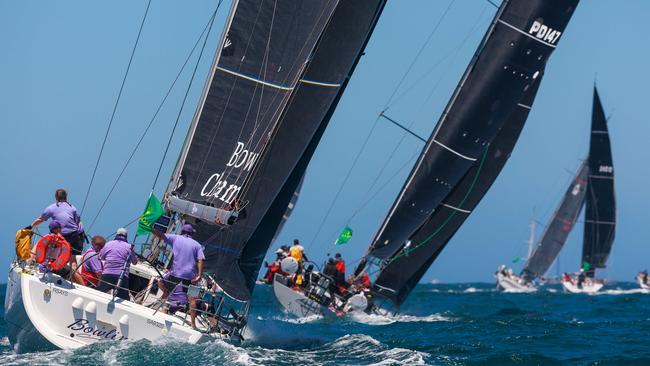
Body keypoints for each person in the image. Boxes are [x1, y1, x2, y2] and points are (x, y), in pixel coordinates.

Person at [152, 223, 205, 329]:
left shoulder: (175, 238)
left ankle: (166, 297)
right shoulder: (197, 245)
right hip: (191, 276)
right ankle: (193, 325)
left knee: (160, 281)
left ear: (182, 232)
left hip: (175, 273)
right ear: (191, 234)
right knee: (193, 300)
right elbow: (200, 260)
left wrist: (151, 229)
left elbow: (161, 235)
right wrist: (199, 275)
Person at [30, 189, 85, 283]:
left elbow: (41, 219)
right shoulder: (72, 208)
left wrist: (30, 226)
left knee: (50, 251)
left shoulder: (51, 208)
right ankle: (76, 282)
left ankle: (32, 263)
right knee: (73, 261)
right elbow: (77, 221)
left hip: (61, 236)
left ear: (56, 197)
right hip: (75, 236)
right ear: (66, 197)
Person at [97, 228, 137, 300]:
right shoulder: (129, 247)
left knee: (99, 295)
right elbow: (135, 262)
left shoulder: (108, 244)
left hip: (107, 275)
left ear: (116, 235)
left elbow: (100, 257)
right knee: (125, 300)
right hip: (121, 277)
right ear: (126, 236)